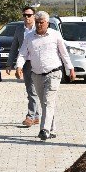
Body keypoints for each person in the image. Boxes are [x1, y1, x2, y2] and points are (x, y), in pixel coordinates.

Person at [16, 11, 75, 141]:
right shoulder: (30, 37)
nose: (38, 25)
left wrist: (70, 68)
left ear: (47, 23)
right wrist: (19, 66)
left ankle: (44, 129)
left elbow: (64, 53)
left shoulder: (55, 35)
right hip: (36, 74)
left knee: (48, 101)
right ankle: (52, 129)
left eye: (41, 22)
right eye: (37, 22)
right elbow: (22, 54)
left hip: (53, 73)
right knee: (45, 103)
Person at [6, 6, 40, 127]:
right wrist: (10, 63)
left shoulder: (39, 27)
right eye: (24, 15)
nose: (26, 17)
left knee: (33, 91)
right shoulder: (19, 29)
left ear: (34, 16)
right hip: (25, 63)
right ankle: (35, 116)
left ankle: (31, 116)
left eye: (29, 15)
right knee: (30, 90)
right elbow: (14, 46)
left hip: (38, 63)